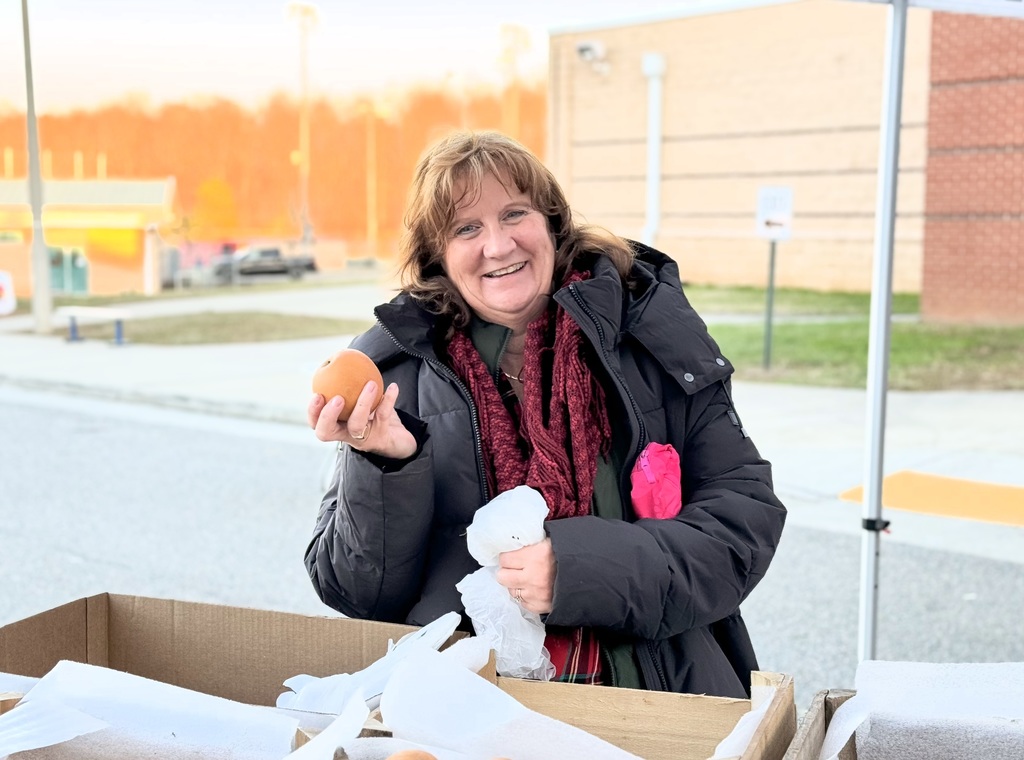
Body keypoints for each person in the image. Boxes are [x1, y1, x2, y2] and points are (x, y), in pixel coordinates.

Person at [306, 131, 786, 699]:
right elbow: (357, 593)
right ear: (437, 254)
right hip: (472, 703)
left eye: (515, 214)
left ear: (553, 223)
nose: (499, 245)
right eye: (467, 228)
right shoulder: (396, 373)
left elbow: (743, 523)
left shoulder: (650, 337)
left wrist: (580, 570)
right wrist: (385, 464)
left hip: (657, 688)